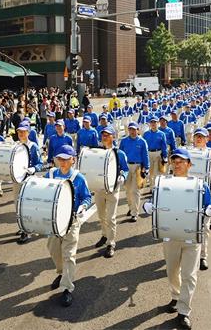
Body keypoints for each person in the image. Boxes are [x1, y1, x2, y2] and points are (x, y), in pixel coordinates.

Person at [143, 148, 211, 330]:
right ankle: (175, 297)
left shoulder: (200, 185)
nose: (177, 164)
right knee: (172, 271)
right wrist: (149, 206)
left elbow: (208, 205)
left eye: (181, 161)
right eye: (174, 161)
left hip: (192, 237)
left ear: (189, 164)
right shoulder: (162, 183)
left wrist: (209, 212)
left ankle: (184, 311)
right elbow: (155, 202)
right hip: (170, 236)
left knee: (189, 275)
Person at [45, 144, 91, 307]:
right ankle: (61, 272)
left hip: (71, 221)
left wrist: (83, 206)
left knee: (69, 254)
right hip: (53, 221)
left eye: (66, 159)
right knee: (53, 249)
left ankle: (67, 288)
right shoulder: (50, 174)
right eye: (60, 159)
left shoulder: (79, 178)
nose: (62, 162)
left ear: (73, 160)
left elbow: (86, 197)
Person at [190, 127, 211, 271]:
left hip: (205, 196)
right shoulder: (186, 155)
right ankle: (187, 253)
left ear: (207, 139)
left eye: (202, 137)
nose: (199, 139)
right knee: (188, 226)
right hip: (188, 194)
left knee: (204, 227)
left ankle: (203, 256)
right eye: (197, 136)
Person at [93, 126, 129, 258]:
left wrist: (122, 177)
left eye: (107, 135)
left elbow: (125, 169)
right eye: (103, 135)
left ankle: (111, 243)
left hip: (113, 189)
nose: (104, 137)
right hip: (99, 189)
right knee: (101, 216)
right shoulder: (98, 152)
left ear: (113, 137)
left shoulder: (119, 153)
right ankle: (104, 235)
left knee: (111, 218)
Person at [15, 121, 43, 244]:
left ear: (28, 132)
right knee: (17, 205)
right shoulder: (15, 146)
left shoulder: (33, 146)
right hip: (17, 180)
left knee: (25, 207)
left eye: (23, 131)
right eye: (19, 131)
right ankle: (22, 226)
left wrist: (34, 169)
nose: (21, 134)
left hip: (28, 180)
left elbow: (40, 164)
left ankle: (25, 231)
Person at [119, 122, 149, 222]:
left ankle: (134, 213)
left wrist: (146, 168)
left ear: (138, 130)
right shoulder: (124, 141)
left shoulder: (142, 142)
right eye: (130, 129)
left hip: (138, 167)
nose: (132, 131)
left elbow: (145, 156)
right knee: (127, 190)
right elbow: (120, 155)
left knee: (135, 191)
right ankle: (131, 207)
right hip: (126, 167)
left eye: (134, 129)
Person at [143, 116, 168, 188]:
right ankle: (151, 186)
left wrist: (165, 156)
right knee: (150, 172)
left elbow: (164, 146)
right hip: (149, 154)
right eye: (152, 122)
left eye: (155, 122)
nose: (153, 124)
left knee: (156, 172)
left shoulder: (161, 134)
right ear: (150, 124)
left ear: (158, 123)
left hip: (158, 154)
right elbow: (143, 146)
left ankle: (155, 187)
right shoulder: (146, 134)